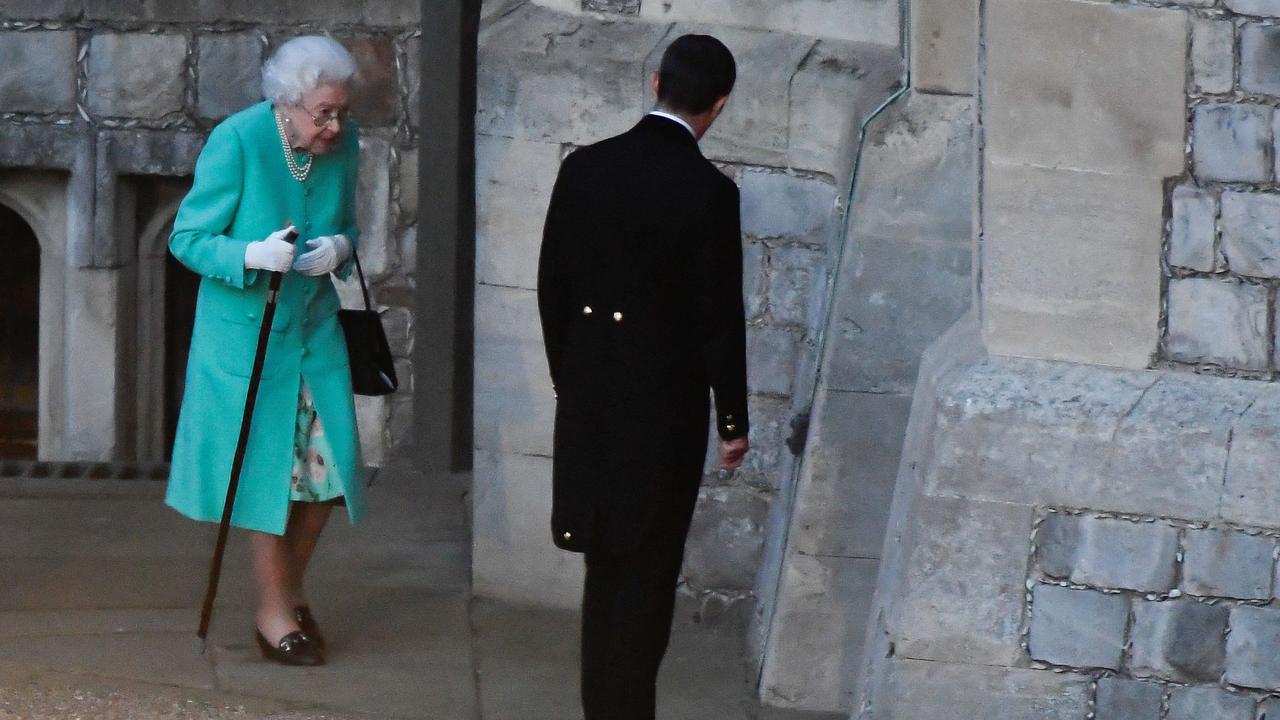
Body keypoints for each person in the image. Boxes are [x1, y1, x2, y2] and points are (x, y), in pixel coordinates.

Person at [537, 34, 750, 719]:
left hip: (593, 403)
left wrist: (572, 380)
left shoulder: (585, 168)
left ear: (655, 80)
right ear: (717, 106)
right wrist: (733, 423)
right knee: (647, 580)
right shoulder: (710, 193)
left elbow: (552, 290)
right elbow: (720, 317)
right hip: (663, 415)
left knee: (604, 576)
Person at [165, 35, 365, 667]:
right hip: (246, 341)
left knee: (329, 476)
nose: (334, 126)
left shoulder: (345, 144)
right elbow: (187, 238)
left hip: (314, 334)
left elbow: (350, 225)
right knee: (267, 478)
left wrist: (339, 247)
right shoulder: (240, 140)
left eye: (341, 111)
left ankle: (289, 589)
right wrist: (249, 254)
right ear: (287, 103)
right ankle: (273, 612)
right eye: (323, 113)